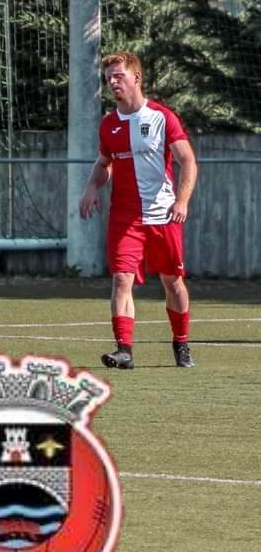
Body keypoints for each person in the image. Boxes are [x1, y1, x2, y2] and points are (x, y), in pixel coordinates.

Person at [79, 51, 198, 369]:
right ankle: (124, 350)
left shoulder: (161, 117)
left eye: (118, 76)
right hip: (125, 217)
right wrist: (92, 186)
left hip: (163, 215)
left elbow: (187, 160)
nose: (113, 81)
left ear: (136, 78)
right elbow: (105, 163)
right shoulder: (109, 124)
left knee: (172, 281)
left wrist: (182, 200)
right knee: (121, 280)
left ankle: (181, 344)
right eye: (109, 78)